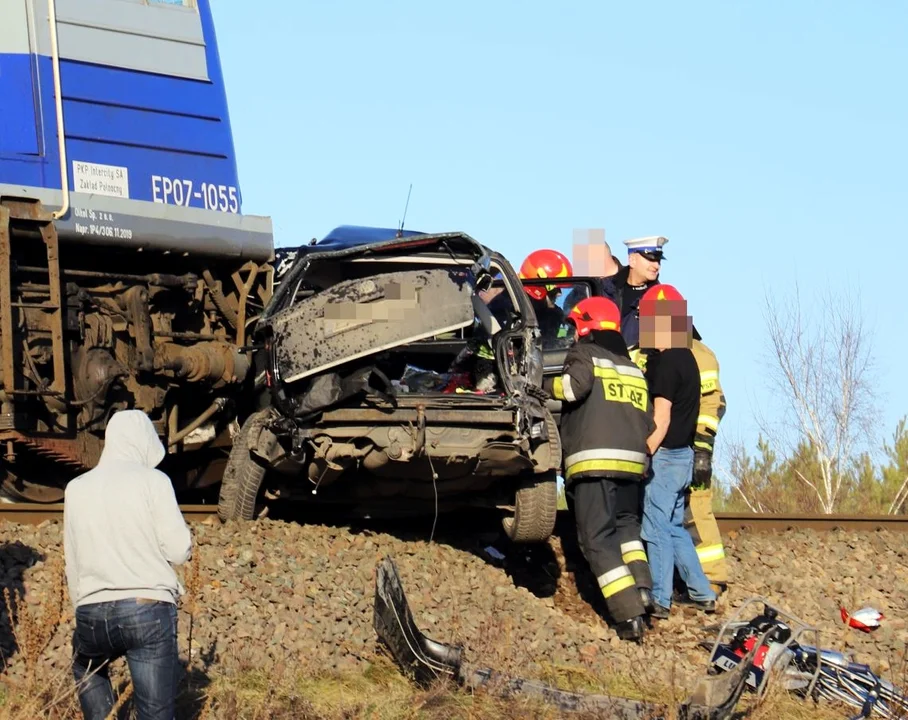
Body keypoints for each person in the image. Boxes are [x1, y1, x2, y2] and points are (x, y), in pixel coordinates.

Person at [64, 409, 193, 720]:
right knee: (155, 713)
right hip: (146, 608)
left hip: (91, 611)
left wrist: (82, 605)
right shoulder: (154, 480)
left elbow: (72, 560)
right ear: (143, 443)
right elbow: (179, 551)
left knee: (85, 665)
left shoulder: (76, 487)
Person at [551, 296, 656, 642]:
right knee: (627, 531)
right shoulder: (633, 368)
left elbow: (571, 388)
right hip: (632, 468)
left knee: (596, 540)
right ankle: (642, 589)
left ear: (586, 325)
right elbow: (649, 420)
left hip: (595, 463)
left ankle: (628, 615)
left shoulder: (585, 354)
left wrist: (540, 384)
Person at [636, 284, 716, 619]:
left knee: (654, 529)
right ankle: (702, 592)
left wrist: (644, 453)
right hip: (683, 456)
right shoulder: (689, 359)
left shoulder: (667, 363)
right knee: (673, 527)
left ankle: (660, 599)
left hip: (666, 457)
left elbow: (662, 418)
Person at [684, 335, 729, 595]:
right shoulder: (640, 349)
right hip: (660, 445)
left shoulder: (700, 354)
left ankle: (712, 578)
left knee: (696, 506)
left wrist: (702, 448)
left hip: (689, 444)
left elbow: (713, 403)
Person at [602, 236, 667, 349]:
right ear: (632, 260)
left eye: (658, 260)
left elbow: (678, 350)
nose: (657, 266)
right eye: (650, 259)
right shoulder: (604, 288)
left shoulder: (666, 298)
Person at [518, 248, 574, 347]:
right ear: (538, 288)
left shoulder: (557, 316)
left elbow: (562, 338)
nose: (559, 294)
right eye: (555, 289)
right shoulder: (514, 316)